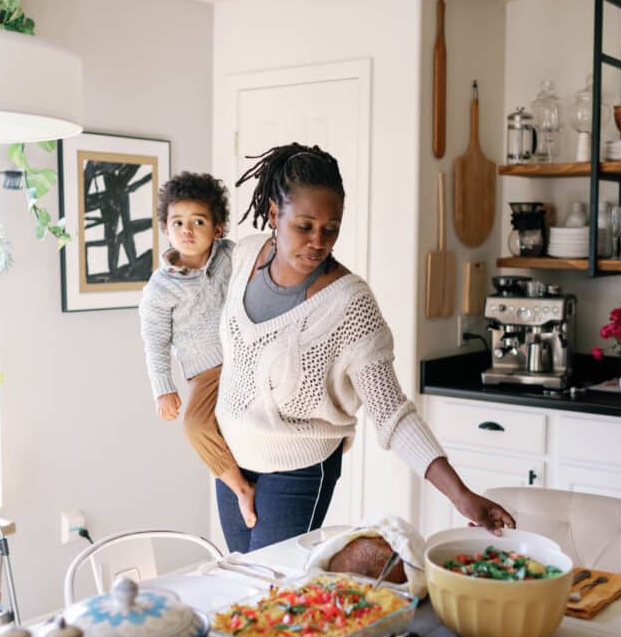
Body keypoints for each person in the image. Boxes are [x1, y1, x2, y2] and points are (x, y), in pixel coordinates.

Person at [214, 143, 515, 552]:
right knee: (241, 586)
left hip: (297, 470)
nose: (318, 242)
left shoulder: (349, 303)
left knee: (273, 590)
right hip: (230, 459)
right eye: (304, 226)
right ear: (273, 214)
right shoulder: (244, 255)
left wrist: (460, 494)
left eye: (331, 228)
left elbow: (392, 412)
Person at [138, 172, 258, 528]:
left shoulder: (231, 256)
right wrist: (164, 389)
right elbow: (155, 341)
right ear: (166, 229)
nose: (187, 230)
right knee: (194, 426)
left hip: (248, 357)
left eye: (198, 221)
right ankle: (240, 489)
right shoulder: (160, 288)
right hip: (207, 374)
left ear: (217, 228)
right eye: (177, 222)